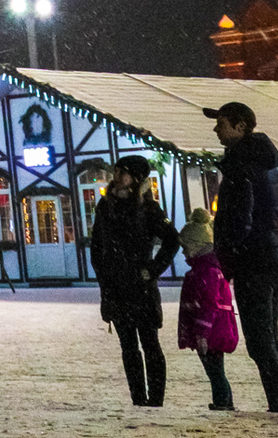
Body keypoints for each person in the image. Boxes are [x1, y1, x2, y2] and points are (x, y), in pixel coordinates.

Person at [207, 100, 278, 414]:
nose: (216, 129)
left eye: (222, 123)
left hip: (255, 262)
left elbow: (242, 217)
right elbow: (269, 213)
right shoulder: (261, 163)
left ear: (241, 126)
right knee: (269, 337)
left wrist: (231, 252)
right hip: (269, 257)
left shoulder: (243, 165)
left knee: (260, 341)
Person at [86, 154, 180, 407]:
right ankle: (138, 398)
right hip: (115, 287)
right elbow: (97, 247)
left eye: (123, 172)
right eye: (116, 171)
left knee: (150, 344)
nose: (116, 177)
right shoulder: (106, 207)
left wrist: (152, 268)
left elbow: (172, 240)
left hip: (141, 287)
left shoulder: (148, 208)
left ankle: (156, 398)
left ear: (136, 178)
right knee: (128, 346)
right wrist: (104, 275)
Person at [176, 212, 239, 410]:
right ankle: (223, 401)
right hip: (213, 328)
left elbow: (209, 305)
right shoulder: (203, 271)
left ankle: (223, 401)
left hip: (213, 331)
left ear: (197, 246)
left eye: (186, 248)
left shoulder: (207, 272)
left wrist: (202, 333)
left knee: (214, 369)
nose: (184, 253)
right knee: (214, 368)